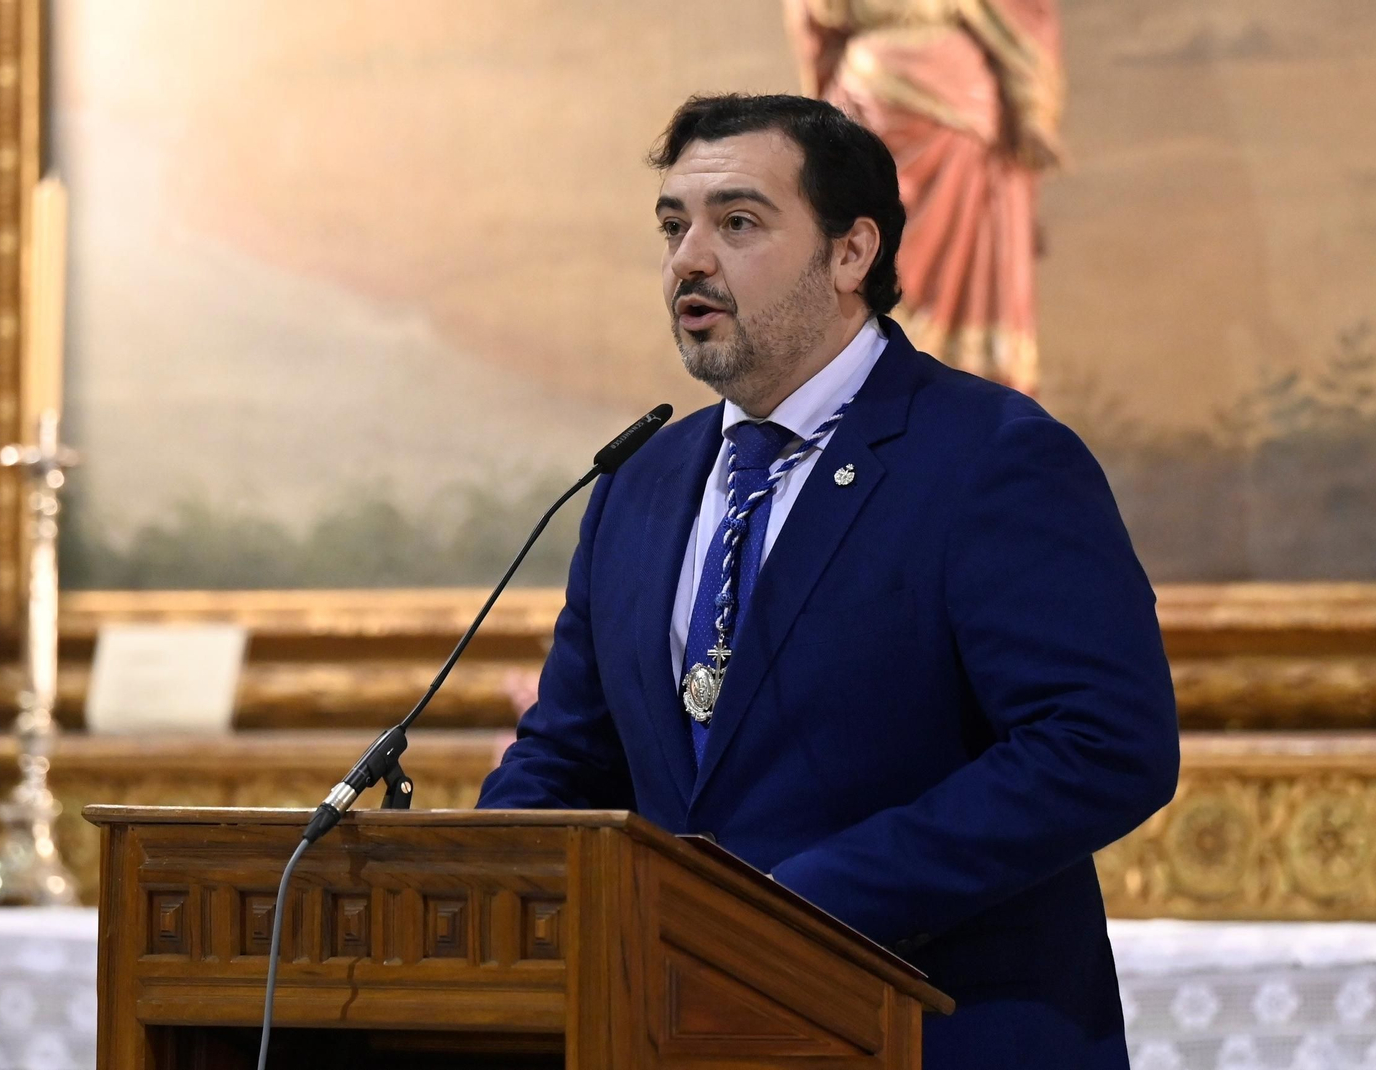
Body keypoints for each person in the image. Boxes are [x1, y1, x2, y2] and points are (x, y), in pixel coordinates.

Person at [477, 93, 1176, 1068]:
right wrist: (485, 884)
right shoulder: (640, 481)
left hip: (934, 1028)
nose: (689, 260)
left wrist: (800, 906)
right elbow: (568, 755)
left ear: (851, 253)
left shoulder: (991, 457)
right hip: (668, 1033)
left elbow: (1101, 745)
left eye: (737, 223)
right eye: (674, 226)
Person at [784, 0, 1064, 393]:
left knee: (863, 243)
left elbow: (815, 26)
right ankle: (959, 393)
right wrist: (1032, 109)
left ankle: (879, 377)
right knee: (959, 255)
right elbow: (1024, 16)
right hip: (953, 102)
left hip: (873, 91)